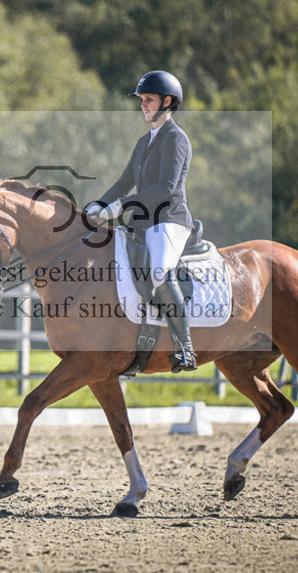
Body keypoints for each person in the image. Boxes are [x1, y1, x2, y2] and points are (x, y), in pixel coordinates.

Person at [84, 70, 197, 372]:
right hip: (144, 224)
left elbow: (165, 188)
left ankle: (186, 347)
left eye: (149, 100)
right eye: (142, 101)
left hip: (170, 221)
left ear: (168, 101)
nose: (143, 105)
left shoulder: (177, 139)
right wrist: (99, 203)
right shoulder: (144, 141)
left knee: (159, 272)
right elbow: (125, 181)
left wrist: (119, 207)